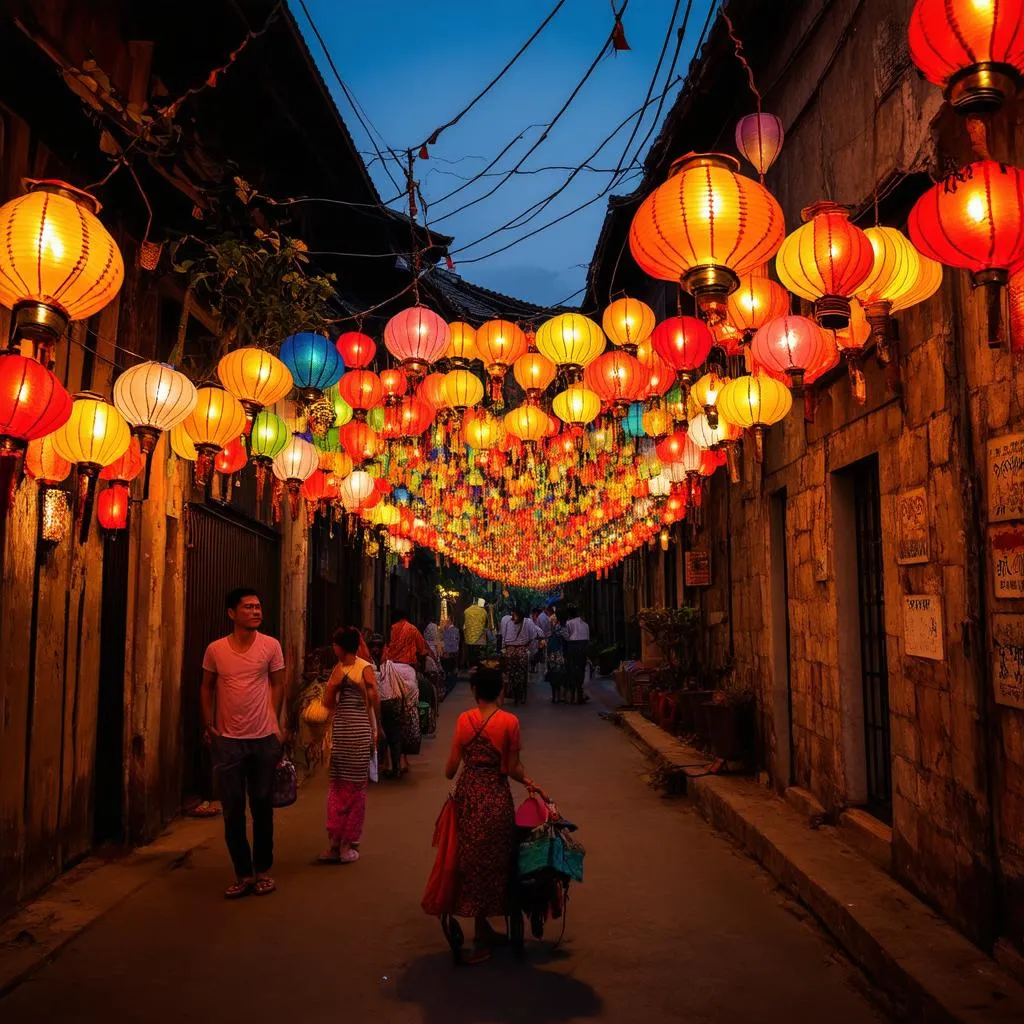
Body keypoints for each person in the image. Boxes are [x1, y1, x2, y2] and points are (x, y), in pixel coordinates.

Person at [423, 663, 548, 965]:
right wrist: (531, 782)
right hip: (495, 798)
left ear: (475, 691)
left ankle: (482, 930)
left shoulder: (464, 720)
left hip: (468, 798)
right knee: (495, 864)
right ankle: (482, 937)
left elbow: (450, 770)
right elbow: (510, 768)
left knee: (470, 862)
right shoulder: (509, 722)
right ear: (501, 691)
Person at [201, 587, 286, 899]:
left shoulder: (271, 646)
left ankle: (262, 870)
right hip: (228, 741)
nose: (255, 611)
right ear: (231, 613)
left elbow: (279, 684)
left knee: (262, 806)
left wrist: (275, 722)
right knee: (232, 810)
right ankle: (243, 873)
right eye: (248, 607)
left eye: (258, 606)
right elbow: (206, 687)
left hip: (263, 738)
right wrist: (209, 723)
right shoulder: (215, 650)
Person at [319, 627, 380, 864]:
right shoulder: (364, 668)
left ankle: (336, 844)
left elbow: (327, 703)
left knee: (337, 789)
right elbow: (374, 699)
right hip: (358, 733)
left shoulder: (340, 670)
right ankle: (345, 845)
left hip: (342, 733)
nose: (333, 648)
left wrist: (334, 684)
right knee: (355, 790)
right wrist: (378, 728)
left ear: (341, 647)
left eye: (334, 644)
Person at [499, 608, 542, 705]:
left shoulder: (508, 621)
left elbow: (504, 637)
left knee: (510, 670)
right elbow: (533, 638)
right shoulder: (527, 622)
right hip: (519, 650)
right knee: (520, 671)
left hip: (512, 650)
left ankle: (513, 687)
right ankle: (517, 689)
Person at [565, 607, 591, 705]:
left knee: (572, 671)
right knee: (581, 670)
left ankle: (572, 696)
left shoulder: (569, 623)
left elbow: (567, 636)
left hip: (573, 647)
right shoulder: (586, 625)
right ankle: (579, 694)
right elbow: (588, 640)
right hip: (583, 647)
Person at [463, 598, 488, 668]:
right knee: (480, 653)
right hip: (480, 637)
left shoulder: (467, 611)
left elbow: (464, 623)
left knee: (471, 652)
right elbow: (486, 623)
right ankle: (480, 667)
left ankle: (471, 666)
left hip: (469, 637)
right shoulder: (484, 611)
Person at [440, 618, 460, 695]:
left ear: (450, 621)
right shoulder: (446, 629)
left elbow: (454, 642)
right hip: (448, 652)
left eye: (446, 621)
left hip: (450, 652)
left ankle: (449, 686)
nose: (445, 622)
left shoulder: (453, 630)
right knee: (449, 670)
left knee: (450, 670)